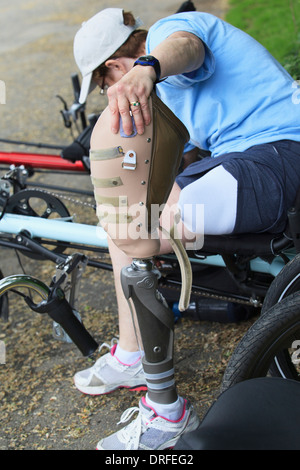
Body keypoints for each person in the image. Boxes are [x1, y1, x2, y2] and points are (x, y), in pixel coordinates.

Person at [72, 7, 300, 450]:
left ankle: (167, 414)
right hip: (256, 158)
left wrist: (145, 70)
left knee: (135, 230)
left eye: (104, 84)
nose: (108, 92)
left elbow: (188, 50)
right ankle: (133, 353)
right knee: (121, 224)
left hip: (281, 153)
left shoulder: (170, 34)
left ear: (114, 66)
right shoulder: (172, 95)